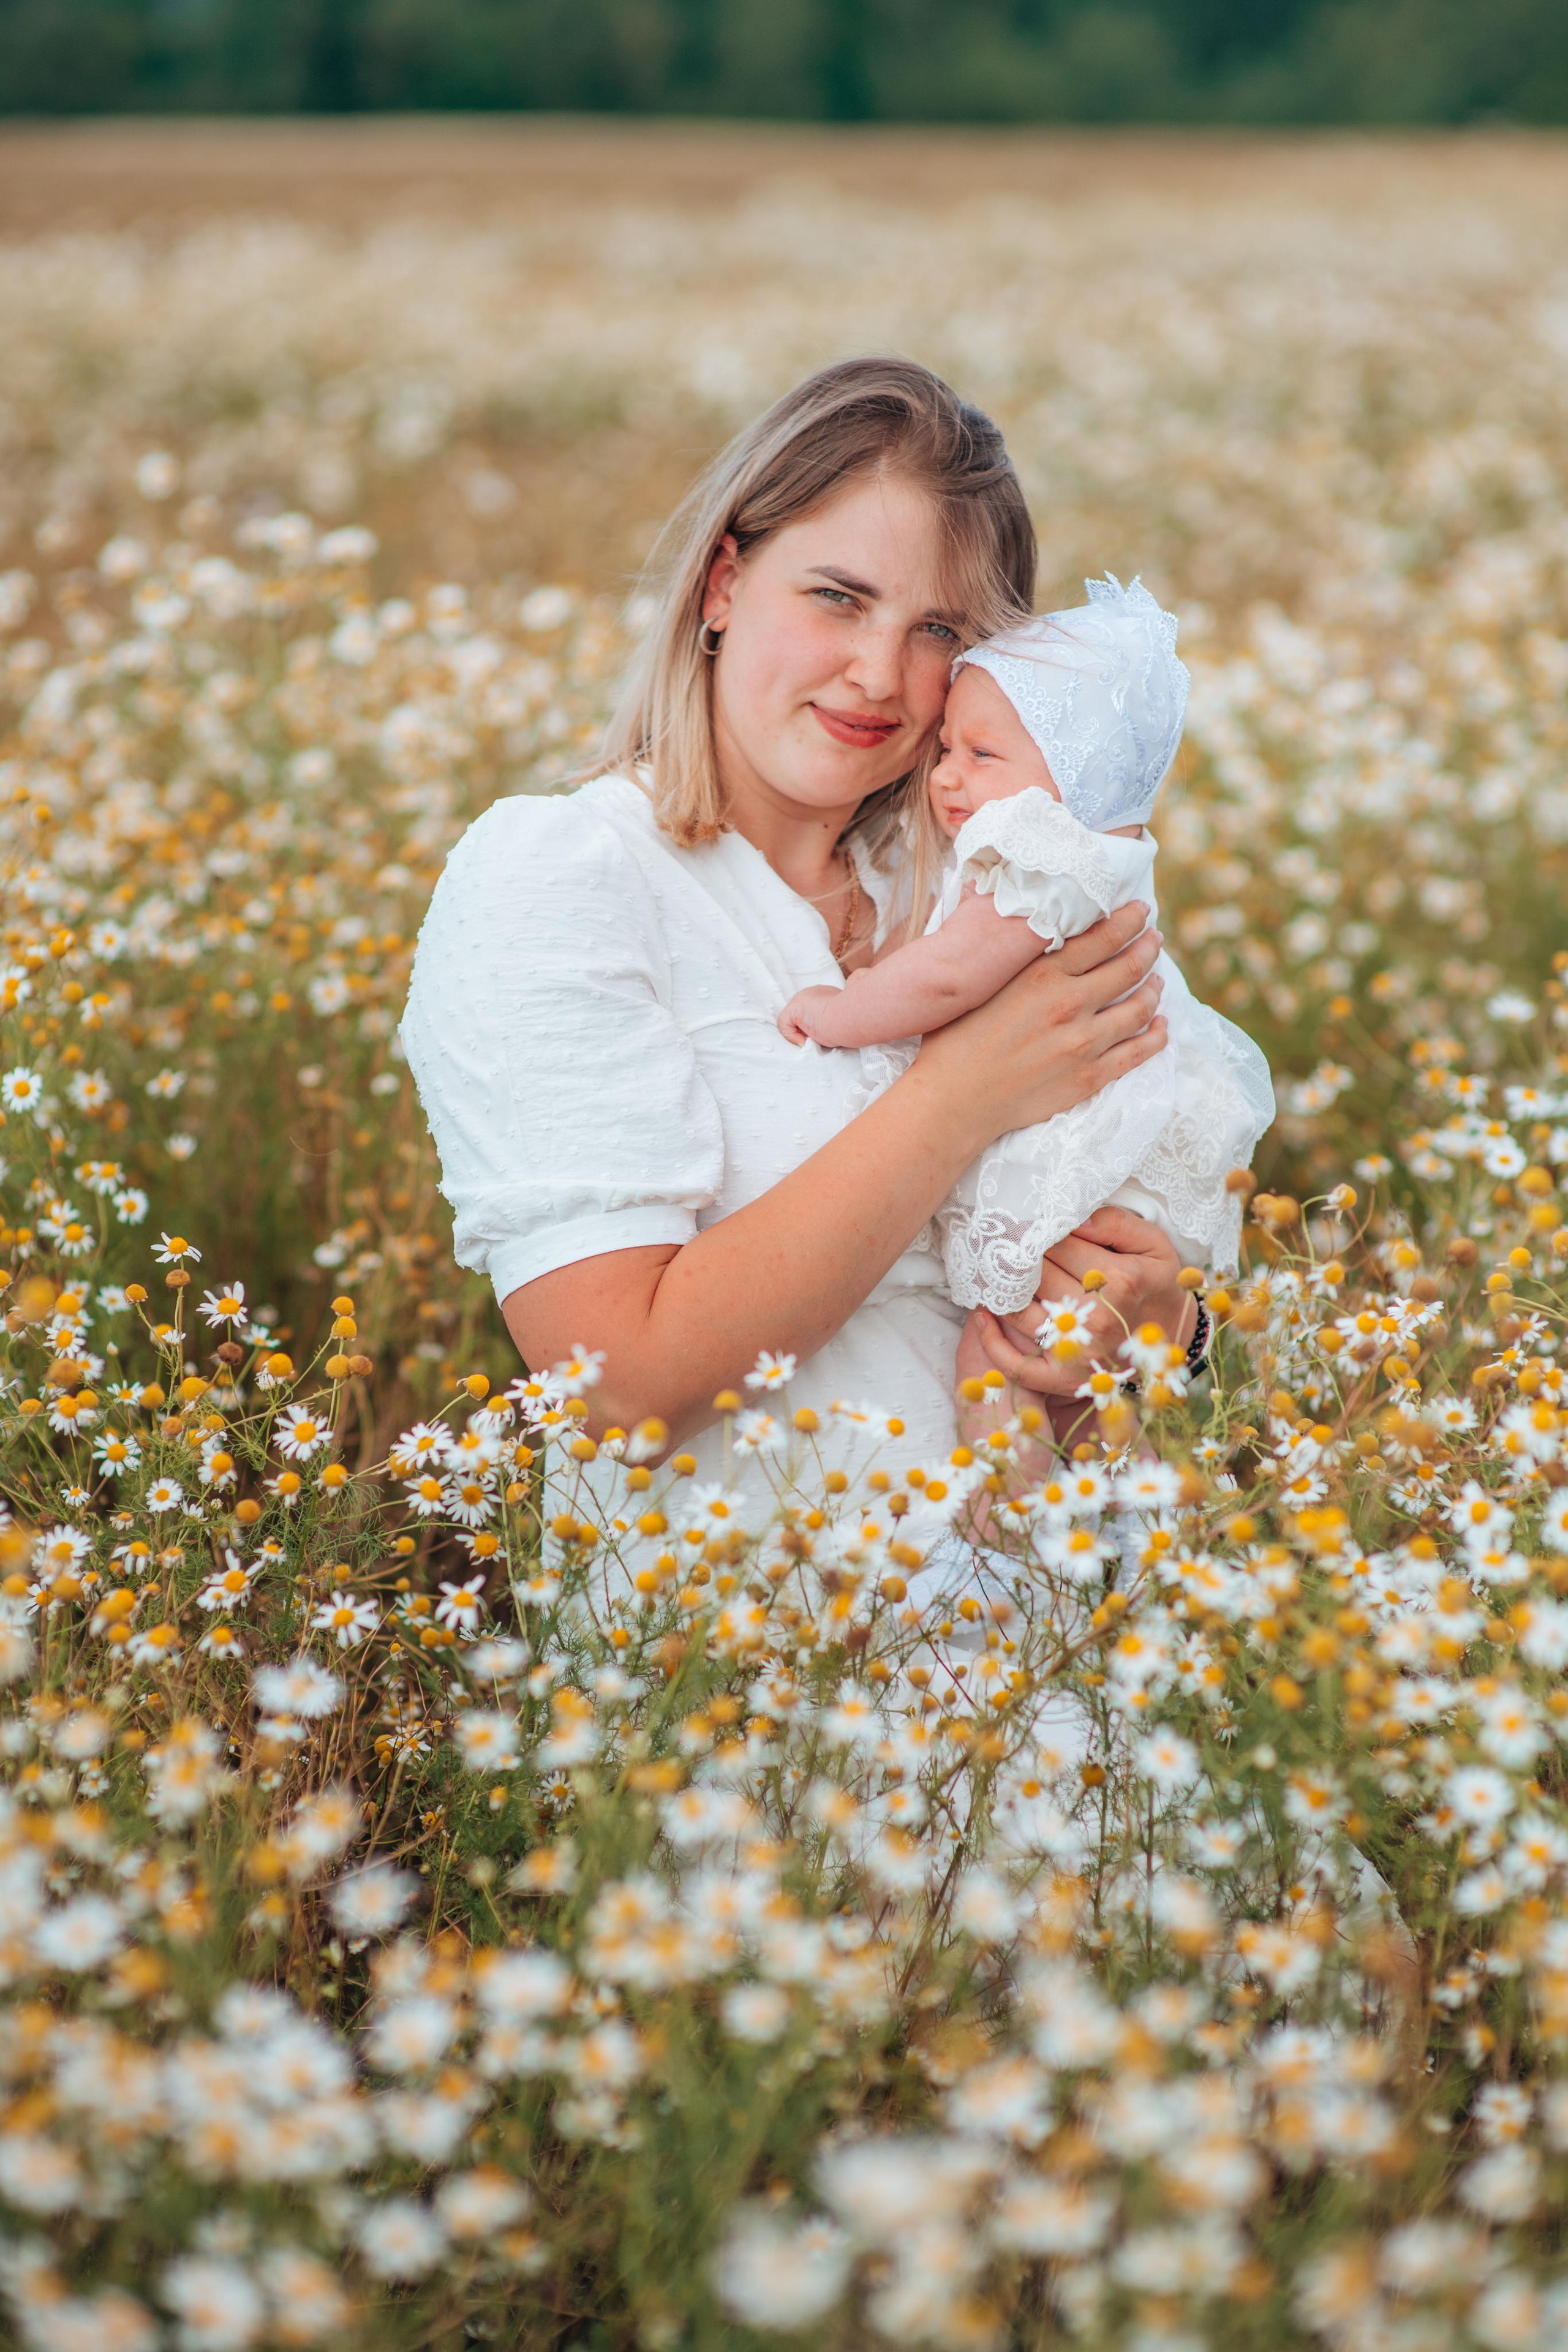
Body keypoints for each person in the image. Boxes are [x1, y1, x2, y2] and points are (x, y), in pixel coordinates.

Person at [399, 357, 1194, 1512]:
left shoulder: (992, 887)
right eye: (837, 597)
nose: (879, 672)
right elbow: (610, 1390)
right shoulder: (561, 873)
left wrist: (1155, 1328)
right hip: (748, 1671)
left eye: (940, 629)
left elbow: (1119, 1242)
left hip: (1060, 1653)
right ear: (723, 584)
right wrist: (960, 1094)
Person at [777, 575, 1275, 1323]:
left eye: (983, 753)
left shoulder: (1039, 857)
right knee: (1057, 1366)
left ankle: (1007, 1446)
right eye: (947, 747)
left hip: (1075, 1154)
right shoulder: (1089, 859)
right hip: (1115, 1148)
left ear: (1074, 786)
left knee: (1004, 1338)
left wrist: (838, 1011)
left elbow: (946, 976)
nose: (946, 774)